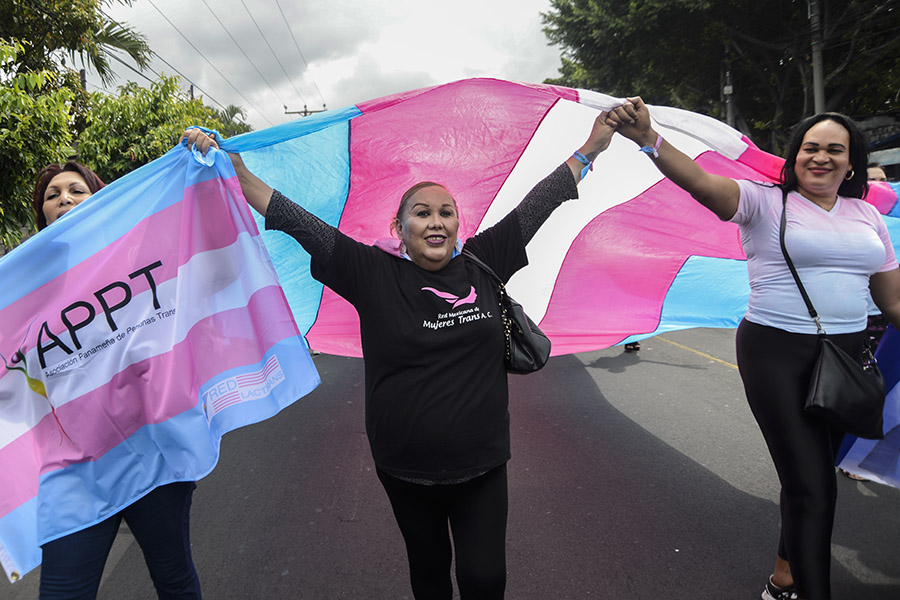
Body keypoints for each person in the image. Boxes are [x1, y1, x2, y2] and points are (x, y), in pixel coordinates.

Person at [181, 114, 615, 599]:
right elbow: (297, 222)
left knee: (485, 579)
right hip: (404, 467)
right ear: (401, 227)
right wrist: (234, 172)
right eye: (422, 213)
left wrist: (592, 147)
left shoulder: (484, 260)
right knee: (429, 576)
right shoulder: (371, 272)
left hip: (484, 460)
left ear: (457, 224)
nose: (436, 221)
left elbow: (541, 202)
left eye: (446, 212)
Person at [606, 100, 900, 600]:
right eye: (811, 147)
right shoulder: (762, 202)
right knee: (815, 488)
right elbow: (700, 184)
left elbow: (891, 298)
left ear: (851, 162)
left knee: (810, 477)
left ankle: (784, 577)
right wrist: (648, 138)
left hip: (847, 359)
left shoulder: (867, 215)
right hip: (776, 355)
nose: (821, 157)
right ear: (794, 156)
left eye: (835, 149)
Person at [32, 161, 202, 600]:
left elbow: (193, 231)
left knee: (174, 580)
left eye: (75, 190)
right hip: (72, 467)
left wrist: (195, 165)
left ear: (99, 200)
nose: (64, 198)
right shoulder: (22, 290)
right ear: (43, 214)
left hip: (151, 451)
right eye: (52, 195)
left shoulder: (138, 261)